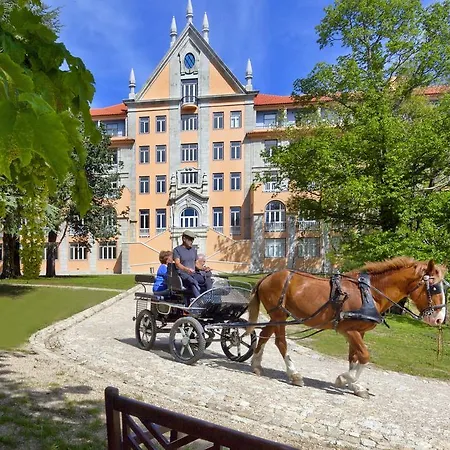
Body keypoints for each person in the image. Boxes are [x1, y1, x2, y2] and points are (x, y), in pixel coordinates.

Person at [173, 230, 211, 299]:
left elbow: (196, 264)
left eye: (193, 239)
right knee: (193, 282)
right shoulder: (177, 250)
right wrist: (186, 269)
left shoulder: (193, 250)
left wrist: (204, 268)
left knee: (207, 279)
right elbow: (177, 264)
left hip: (193, 274)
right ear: (184, 239)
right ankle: (199, 301)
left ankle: (210, 298)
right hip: (183, 275)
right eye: (190, 239)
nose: (192, 241)